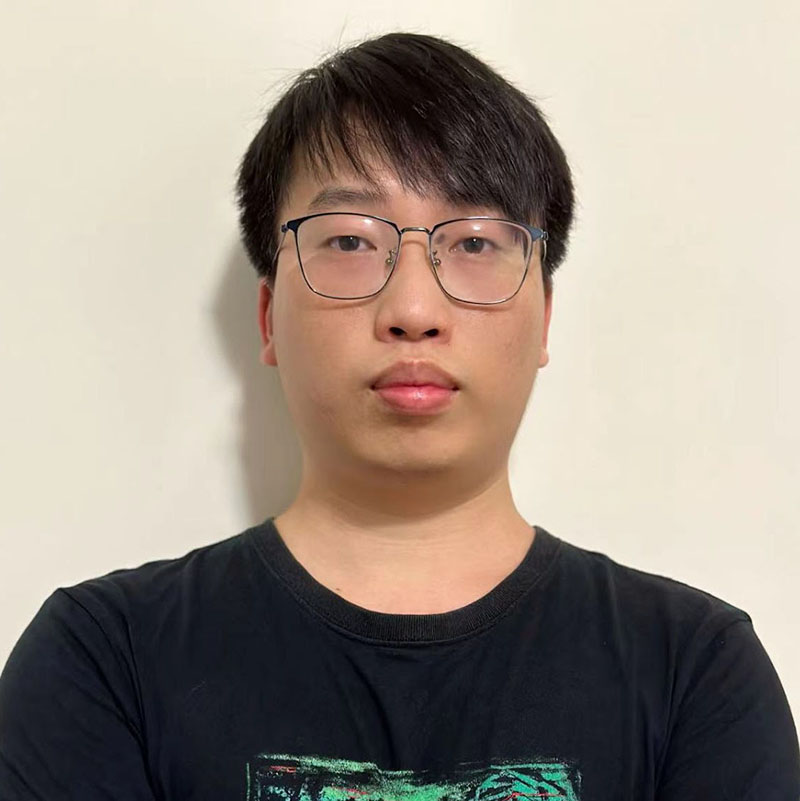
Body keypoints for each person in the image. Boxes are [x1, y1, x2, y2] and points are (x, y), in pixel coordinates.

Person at [0, 31, 797, 801]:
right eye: (349, 240)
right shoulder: (105, 662)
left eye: (475, 243)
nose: (414, 309)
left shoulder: (694, 673)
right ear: (269, 317)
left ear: (545, 316)